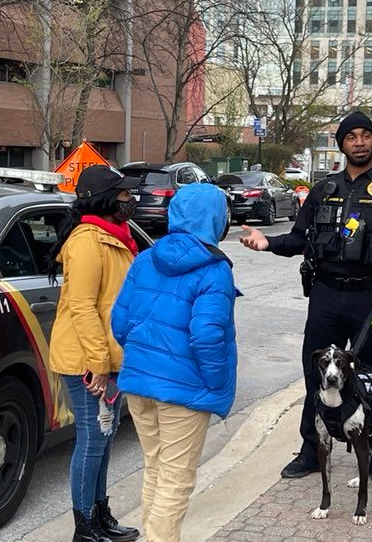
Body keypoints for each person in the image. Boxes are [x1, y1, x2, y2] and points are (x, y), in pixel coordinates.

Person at [240, 110, 372, 483]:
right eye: (351, 136)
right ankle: (312, 451)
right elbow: (298, 239)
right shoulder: (324, 189)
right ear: (341, 144)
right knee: (317, 376)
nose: (359, 142)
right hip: (326, 295)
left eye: (365, 135)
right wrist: (267, 243)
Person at [112, 183, 238, 542]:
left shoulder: (145, 258)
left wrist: (143, 358)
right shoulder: (214, 271)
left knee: (155, 467)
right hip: (185, 390)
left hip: (140, 382)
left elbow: (119, 322)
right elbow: (207, 334)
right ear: (215, 220)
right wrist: (214, 381)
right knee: (176, 479)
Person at [48, 165, 141, 542]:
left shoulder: (114, 237)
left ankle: (100, 516)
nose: (129, 200)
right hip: (87, 360)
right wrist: (99, 365)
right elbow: (84, 307)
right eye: (122, 195)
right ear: (103, 199)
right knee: (93, 436)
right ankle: (84, 526)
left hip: (107, 357)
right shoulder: (88, 240)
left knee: (105, 433)